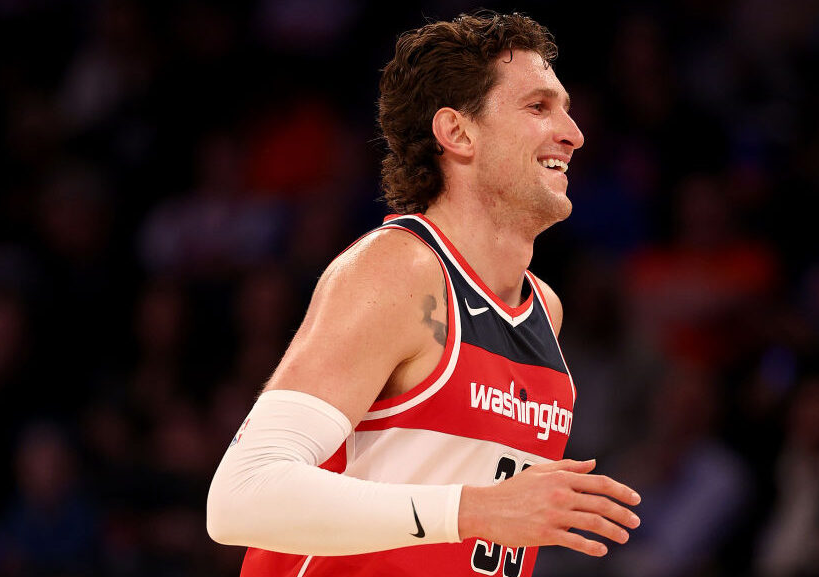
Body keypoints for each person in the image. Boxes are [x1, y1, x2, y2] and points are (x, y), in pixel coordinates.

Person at [207, 10, 642, 577]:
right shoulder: (399, 271)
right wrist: (472, 510)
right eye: (539, 107)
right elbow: (241, 495)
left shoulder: (544, 309)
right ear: (457, 132)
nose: (574, 133)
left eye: (567, 109)